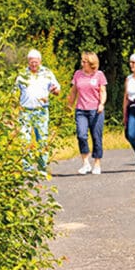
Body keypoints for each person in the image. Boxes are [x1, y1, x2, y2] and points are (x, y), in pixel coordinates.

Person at [15, 49, 61, 178]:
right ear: (28, 61)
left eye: (36, 62)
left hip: (41, 110)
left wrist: (54, 90)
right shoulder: (22, 74)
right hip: (25, 111)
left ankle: (42, 168)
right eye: (31, 62)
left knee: (42, 139)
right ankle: (27, 168)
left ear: (40, 61)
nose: (34, 64)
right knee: (25, 139)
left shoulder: (47, 73)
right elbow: (14, 92)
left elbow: (57, 90)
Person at [67, 51, 107, 175]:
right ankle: (85, 163)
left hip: (96, 110)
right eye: (82, 61)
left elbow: (103, 91)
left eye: (84, 61)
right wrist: (69, 104)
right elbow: (73, 91)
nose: (82, 63)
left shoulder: (99, 75)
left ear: (91, 63)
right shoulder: (78, 74)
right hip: (81, 110)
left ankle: (97, 163)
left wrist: (101, 104)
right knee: (81, 135)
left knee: (96, 136)